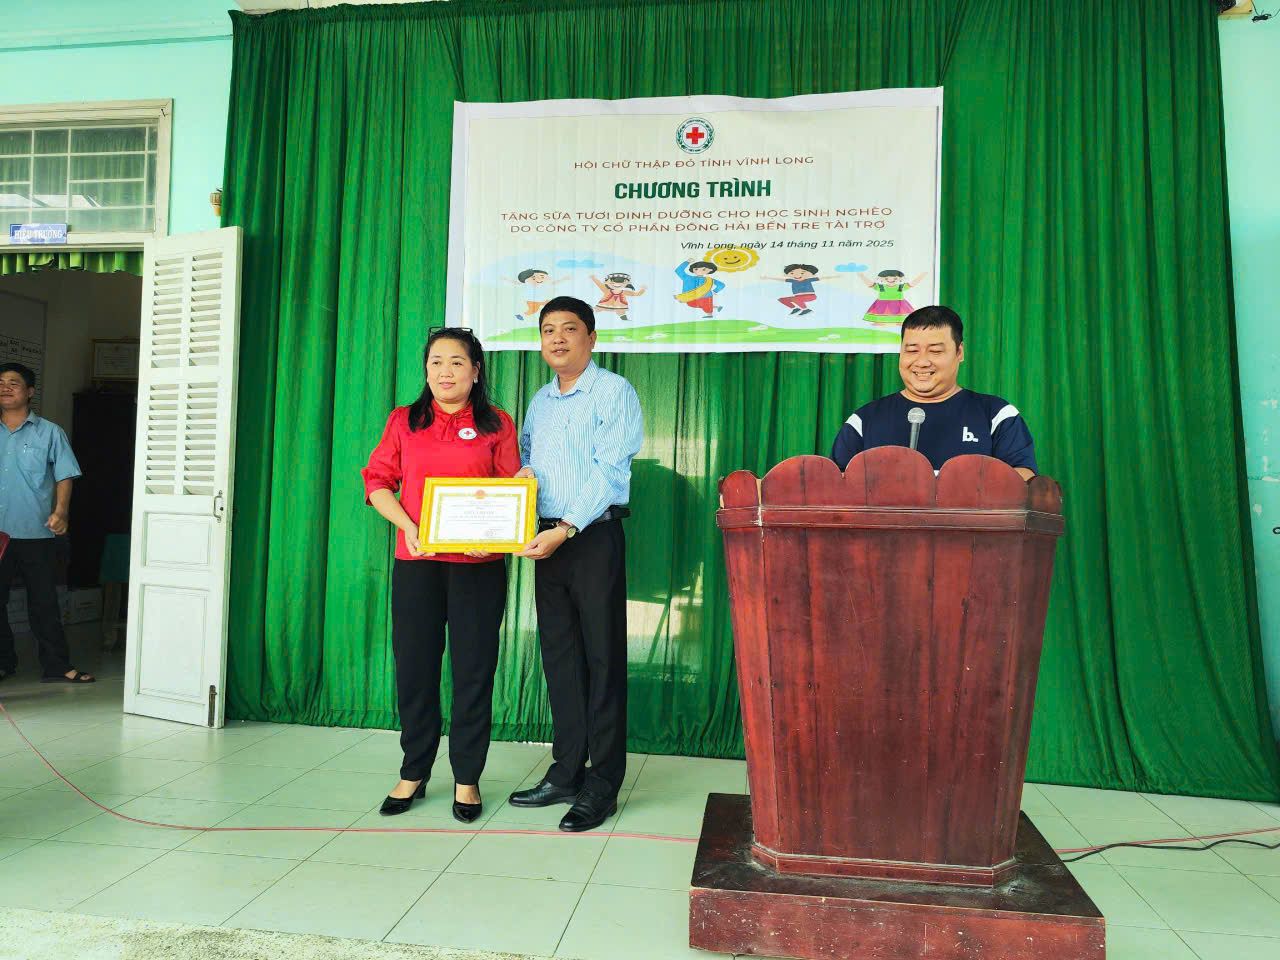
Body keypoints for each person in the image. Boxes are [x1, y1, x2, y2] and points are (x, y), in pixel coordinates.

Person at [362, 328, 522, 821]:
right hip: (418, 565)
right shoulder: (404, 420)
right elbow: (377, 482)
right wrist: (409, 527)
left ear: (476, 370)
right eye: (436, 362)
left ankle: (467, 777)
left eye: (456, 362)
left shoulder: (497, 423)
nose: (445, 371)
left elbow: (512, 491)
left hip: (478, 570)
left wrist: (499, 529)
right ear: (426, 369)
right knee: (414, 670)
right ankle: (414, 771)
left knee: (473, 673)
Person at [510, 296, 643, 832]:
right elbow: (527, 458)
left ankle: (603, 783)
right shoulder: (540, 400)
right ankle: (566, 772)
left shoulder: (614, 391)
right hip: (547, 539)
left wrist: (566, 527)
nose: (558, 339)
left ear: (591, 338)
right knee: (560, 658)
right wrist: (523, 481)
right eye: (548, 330)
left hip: (590, 537)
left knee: (602, 659)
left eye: (569, 329)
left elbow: (610, 471)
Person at [830, 306, 1037, 479]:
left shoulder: (997, 414)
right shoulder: (865, 420)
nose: (922, 362)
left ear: (959, 352)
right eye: (912, 350)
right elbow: (835, 484)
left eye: (936, 351)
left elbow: (1023, 478)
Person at [0, 363, 91, 684]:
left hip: (35, 531)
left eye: (13, 382)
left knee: (44, 602)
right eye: (0, 382)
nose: (5, 387)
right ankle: (3, 662)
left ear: (30, 392)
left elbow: (65, 474)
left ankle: (57, 665)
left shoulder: (50, 432)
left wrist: (61, 511)